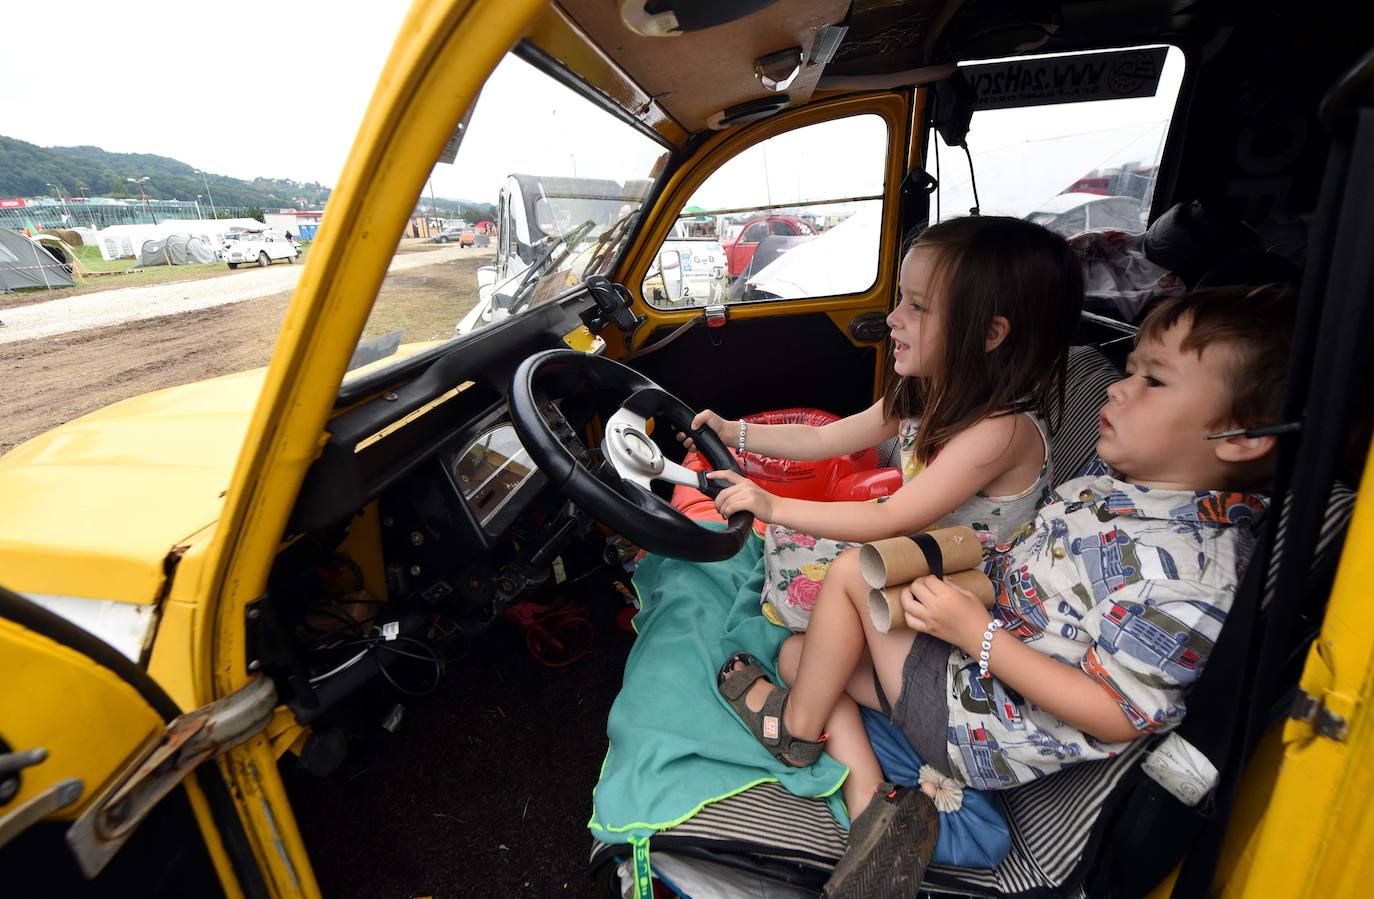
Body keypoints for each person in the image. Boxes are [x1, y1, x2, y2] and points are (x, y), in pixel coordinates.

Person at [716, 282, 1295, 898]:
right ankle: (870, 806)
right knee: (802, 656)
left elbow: (1119, 712)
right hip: (966, 670)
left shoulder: (1187, 572)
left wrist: (977, 634)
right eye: (1128, 371)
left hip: (979, 719)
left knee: (852, 574)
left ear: (1240, 438)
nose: (1119, 388)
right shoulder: (1121, 492)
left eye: (1154, 380)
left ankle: (796, 731)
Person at [687, 216, 1084, 632]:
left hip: (964, 590)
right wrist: (736, 433)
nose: (893, 317)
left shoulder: (1001, 432)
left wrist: (774, 505)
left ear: (989, 334)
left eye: (917, 305)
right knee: (785, 543)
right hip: (923, 548)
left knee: (798, 579)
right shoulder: (927, 392)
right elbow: (823, 439)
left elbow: (892, 517)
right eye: (900, 298)